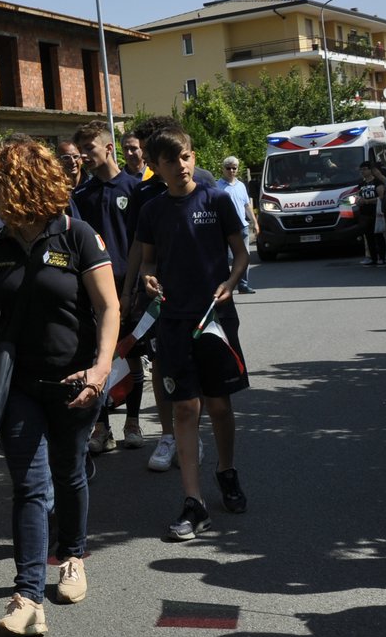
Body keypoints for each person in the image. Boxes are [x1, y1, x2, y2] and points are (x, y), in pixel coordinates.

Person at [0, 137, 117, 637]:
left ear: (24, 184)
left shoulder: (78, 236)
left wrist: (100, 370)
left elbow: (108, 308)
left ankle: (72, 556)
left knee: (69, 472)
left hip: (75, 381)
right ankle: (28, 595)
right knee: (29, 486)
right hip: (20, 384)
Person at [135, 127, 251, 541]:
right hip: (173, 321)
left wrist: (231, 282)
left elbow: (240, 253)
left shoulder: (216, 199)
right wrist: (148, 280)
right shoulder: (151, 211)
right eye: (171, 161)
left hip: (215, 319)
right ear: (157, 168)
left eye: (185, 157)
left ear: (193, 155)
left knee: (219, 405)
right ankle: (193, 503)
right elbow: (148, 262)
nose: (182, 166)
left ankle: (226, 470)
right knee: (186, 409)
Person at [121, 116, 219, 473]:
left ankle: (191, 431)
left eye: (148, 152)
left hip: (200, 298)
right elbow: (138, 246)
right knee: (163, 365)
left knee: (201, 366)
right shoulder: (143, 193)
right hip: (159, 299)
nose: (143, 160)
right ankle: (167, 435)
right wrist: (128, 290)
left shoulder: (204, 183)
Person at [71, 120, 143, 452]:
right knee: (97, 355)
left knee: (130, 353)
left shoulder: (134, 187)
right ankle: (101, 427)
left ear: (108, 148)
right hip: (93, 290)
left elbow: (142, 243)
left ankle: (133, 422)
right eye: (81, 149)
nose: (83, 155)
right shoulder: (81, 195)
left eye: (90, 148)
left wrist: (131, 288)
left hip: (127, 285)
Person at [215, 157, 259, 294]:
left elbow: (247, 205)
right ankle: (227, 283)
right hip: (225, 227)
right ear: (223, 169)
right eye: (228, 168)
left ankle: (243, 285)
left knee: (244, 256)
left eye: (234, 168)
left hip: (242, 226)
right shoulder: (217, 186)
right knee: (230, 257)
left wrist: (255, 222)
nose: (231, 171)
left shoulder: (241, 185)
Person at [356, 161, 386, 267]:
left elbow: (381, 197)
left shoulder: (377, 182)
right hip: (364, 214)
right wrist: (358, 201)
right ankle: (373, 258)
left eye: (365, 169)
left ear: (371, 170)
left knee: (378, 235)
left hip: (376, 212)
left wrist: (367, 201)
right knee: (368, 236)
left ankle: (382, 257)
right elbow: (358, 195)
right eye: (361, 170)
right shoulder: (361, 184)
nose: (363, 172)